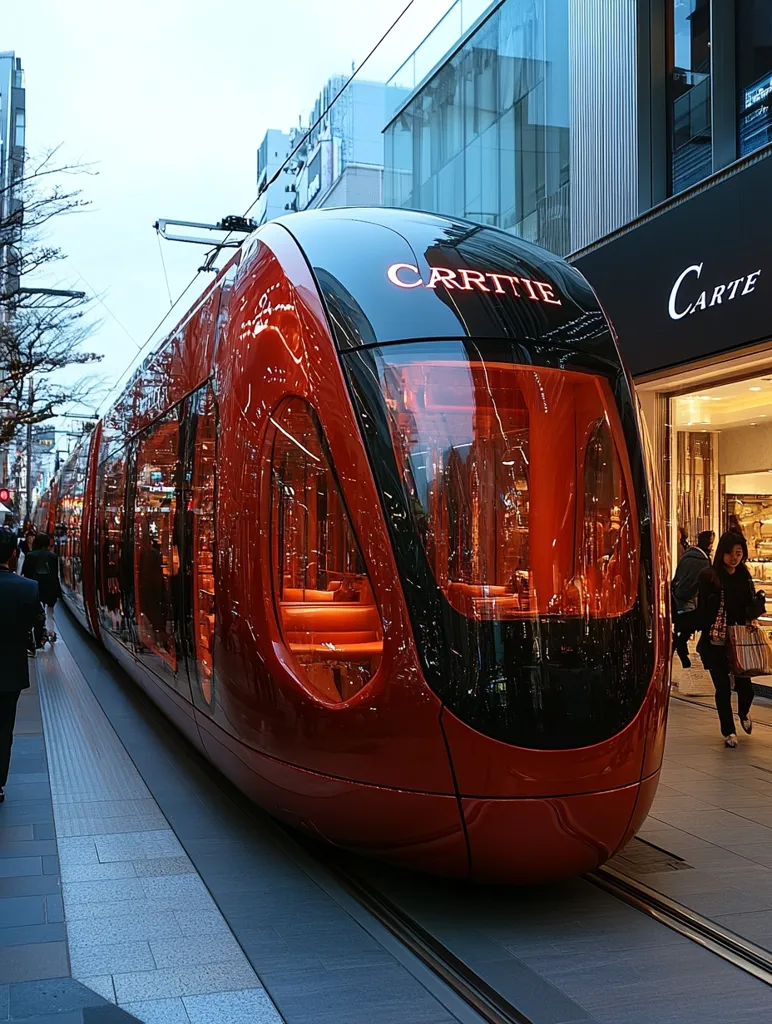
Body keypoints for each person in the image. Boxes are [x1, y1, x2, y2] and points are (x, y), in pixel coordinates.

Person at [696, 531, 766, 748]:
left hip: (740, 639)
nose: (734, 558)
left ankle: (744, 713)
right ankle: (729, 732)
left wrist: (756, 607)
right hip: (716, 640)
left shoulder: (744, 575)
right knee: (723, 688)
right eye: (729, 553)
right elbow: (702, 610)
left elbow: (749, 606)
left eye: (738, 553)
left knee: (746, 688)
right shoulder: (710, 576)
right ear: (721, 554)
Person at [0, 527, 45, 803]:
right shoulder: (28, 588)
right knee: (4, 728)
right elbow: (37, 631)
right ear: (14, 554)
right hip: (10, 672)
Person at [671, 530, 715, 668]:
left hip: (677, 598)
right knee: (692, 625)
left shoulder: (687, 555)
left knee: (684, 626)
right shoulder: (703, 561)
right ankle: (680, 645)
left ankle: (679, 646)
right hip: (690, 601)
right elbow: (698, 584)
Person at [22, 533, 61, 647]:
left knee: (35, 611)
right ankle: (50, 632)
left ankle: (37, 633)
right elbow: (55, 575)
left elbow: (26, 574)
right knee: (50, 612)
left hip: (35, 588)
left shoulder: (30, 555)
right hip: (50, 589)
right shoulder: (53, 556)